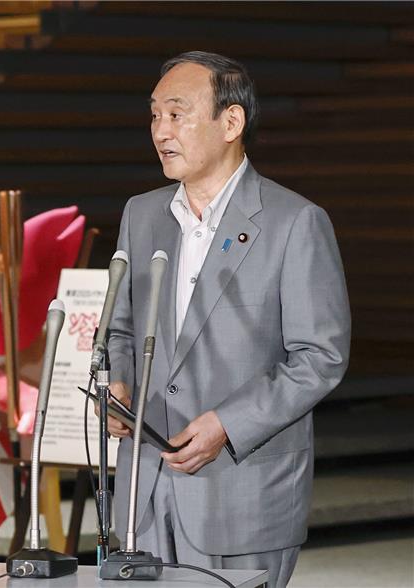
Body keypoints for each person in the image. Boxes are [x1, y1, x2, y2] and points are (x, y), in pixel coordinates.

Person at [105, 51, 350, 587]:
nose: (160, 131)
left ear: (231, 122)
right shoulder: (141, 215)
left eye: (177, 113)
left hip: (242, 494)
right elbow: (121, 328)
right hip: (142, 497)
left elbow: (320, 358)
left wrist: (227, 425)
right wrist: (119, 381)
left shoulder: (295, 222)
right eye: (154, 115)